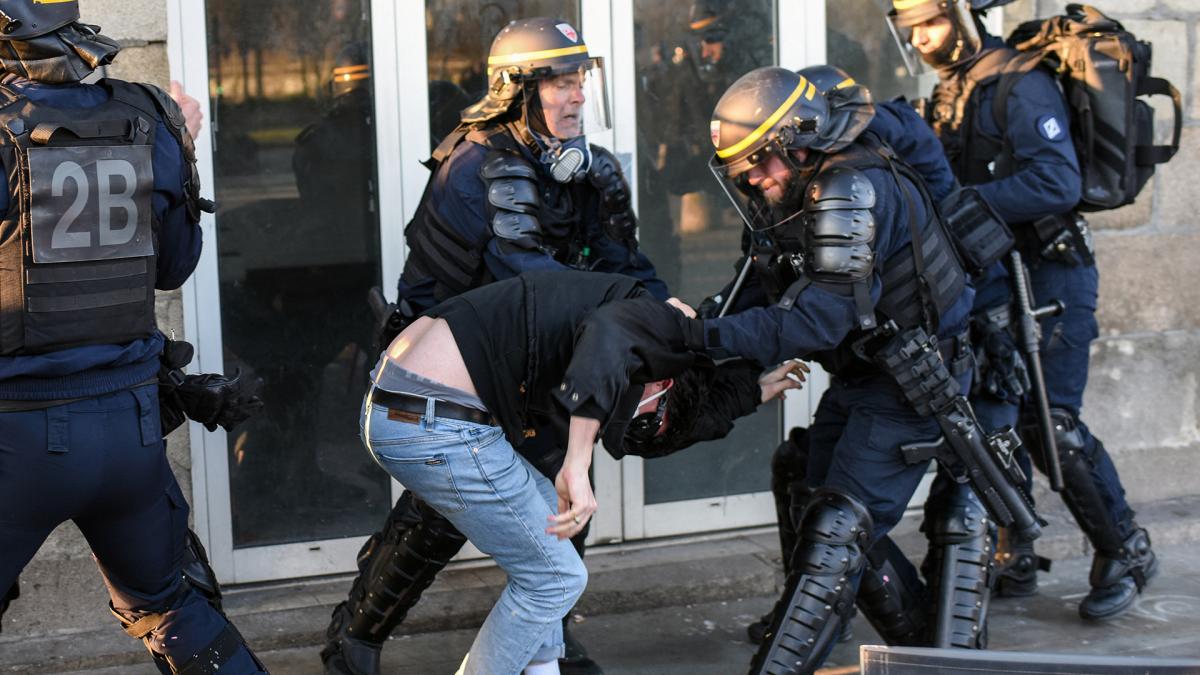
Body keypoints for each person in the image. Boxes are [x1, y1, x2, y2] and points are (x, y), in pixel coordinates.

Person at [322, 17, 676, 675]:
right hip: (445, 367)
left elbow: (631, 265)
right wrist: (625, 322)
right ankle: (356, 637)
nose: (576, 97)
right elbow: (531, 277)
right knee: (440, 513)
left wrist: (670, 324)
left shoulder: (587, 168)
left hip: (533, 354)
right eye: (559, 83)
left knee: (566, 493)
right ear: (516, 91)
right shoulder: (482, 163)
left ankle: (550, 638)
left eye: (580, 80)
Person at [683, 65, 985, 673]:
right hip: (865, 374)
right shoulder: (791, 189)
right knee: (813, 494)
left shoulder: (849, 188)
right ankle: (929, 644)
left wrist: (701, 335)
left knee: (836, 527)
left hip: (912, 381)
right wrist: (686, 329)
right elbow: (757, 289)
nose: (753, 179)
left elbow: (816, 322)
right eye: (742, 169)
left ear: (799, 143)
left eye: (761, 162)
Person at [360, 269, 803, 675]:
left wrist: (755, 390)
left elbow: (682, 418)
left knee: (548, 546)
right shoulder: (645, 322)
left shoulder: (627, 329)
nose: (625, 419)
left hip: (411, 408)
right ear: (662, 382)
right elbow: (606, 341)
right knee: (557, 579)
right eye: (643, 418)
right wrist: (577, 462)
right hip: (432, 421)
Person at [0, 2, 264, 673]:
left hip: (15, 438)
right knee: (175, 610)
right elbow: (175, 266)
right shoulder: (151, 115)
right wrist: (181, 141)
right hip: (129, 432)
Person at [892, 0, 1157, 620]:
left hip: (1049, 274)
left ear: (964, 15)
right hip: (990, 280)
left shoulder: (1020, 82)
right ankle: (1013, 553)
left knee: (1050, 424)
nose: (923, 38)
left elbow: (1055, 184)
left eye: (930, 23)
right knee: (988, 429)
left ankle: (1127, 548)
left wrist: (954, 203)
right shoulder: (953, 88)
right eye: (911, 30)